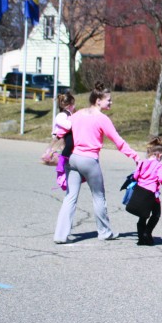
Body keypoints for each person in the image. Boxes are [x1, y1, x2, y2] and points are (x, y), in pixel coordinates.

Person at [53, 82, 140, 243]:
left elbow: (62, 132)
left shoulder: (77, 114)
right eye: (109, 100)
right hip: (89, 160)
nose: (111, 102)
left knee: (70, 197)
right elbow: (118, 141)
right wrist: (135, 156)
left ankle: (60, 235)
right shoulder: (102, 119)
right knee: (98, 196)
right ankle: (104, 232)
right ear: (98, 100)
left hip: (72, 159)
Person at [130, 138, 162, 246]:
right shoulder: (159, 165)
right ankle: (147, 233)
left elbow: (135, 176)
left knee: (143, 216)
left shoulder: (142, 162)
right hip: (152, 194)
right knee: (156, 214)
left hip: (141, 191)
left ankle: (141, 238)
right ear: (159, 154)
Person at [42, 92, 76, 166]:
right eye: (73, 104)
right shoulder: (62, 115)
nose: (74, 106)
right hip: (60, 139)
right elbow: (68, 126)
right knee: (59, 155)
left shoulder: (69, 114)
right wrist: (74, 123)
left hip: (65, 139)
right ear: (69, 105)